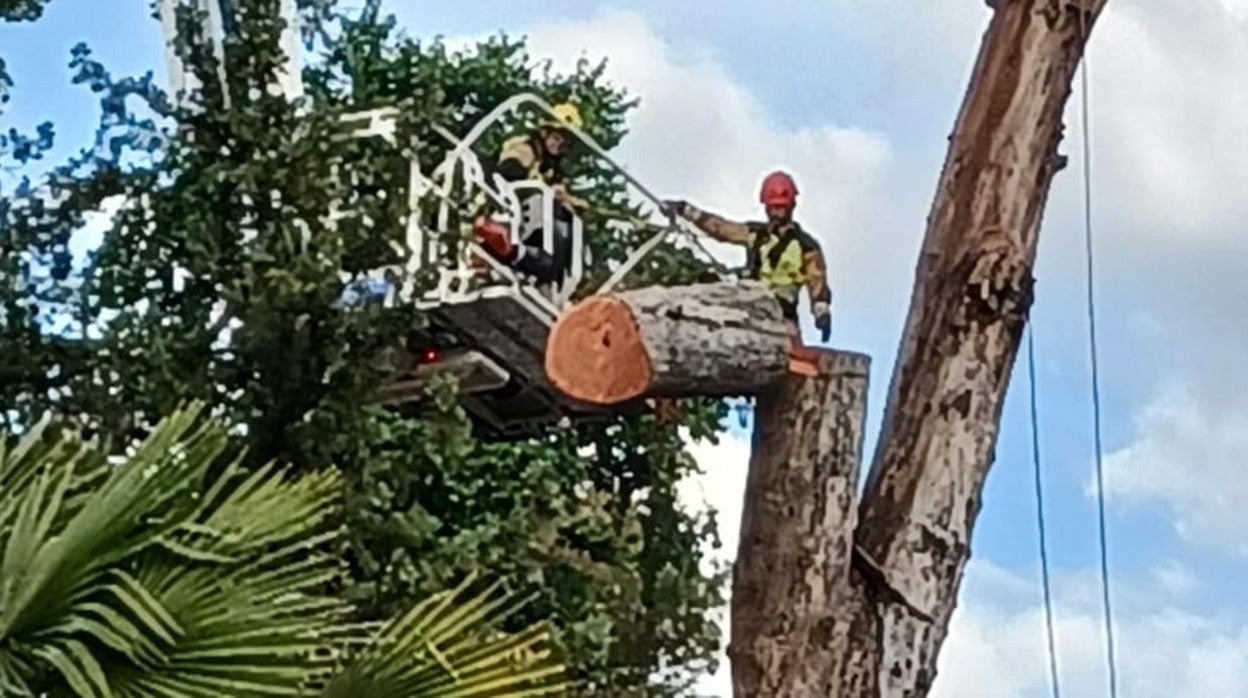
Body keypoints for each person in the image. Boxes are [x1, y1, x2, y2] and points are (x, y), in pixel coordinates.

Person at [662, 171, 832, 343]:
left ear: (791, 206)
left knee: (789, 356)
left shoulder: (806, 246)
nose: (776, 213)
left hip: (783, 316)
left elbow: (817, 282)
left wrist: (821, 312)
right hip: (750, 307)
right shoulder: (755, 234)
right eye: (772, 208)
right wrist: (685, 210)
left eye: (781, 207)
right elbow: (721, 228)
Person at [471, 102, 589, 284]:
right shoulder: (524, 149)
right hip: (507, 209)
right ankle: (512, 251)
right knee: (554, 231)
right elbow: (509, 173)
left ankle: (543, 272)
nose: (559, 146)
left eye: (563, 142)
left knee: (566, 230)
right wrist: (545, 189)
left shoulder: (549, 167)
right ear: (544, 133)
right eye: (556, 139)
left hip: (529, 222)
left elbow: (558, 193)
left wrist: (572, 203)